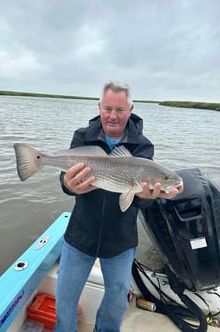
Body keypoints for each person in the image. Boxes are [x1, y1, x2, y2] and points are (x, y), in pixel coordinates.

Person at [54, 81, 183, 332]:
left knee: (116, 304)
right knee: (65, 299)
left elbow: (141, 202)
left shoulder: (143, 147)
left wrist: (150, 196)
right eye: (108, 108)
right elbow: (66, 178)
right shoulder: (82, 136)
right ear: (99, 107)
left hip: (121, 241)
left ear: (131, 109)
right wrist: (68, 185)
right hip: (80, 234)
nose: (113, 116)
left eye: (120, 110)